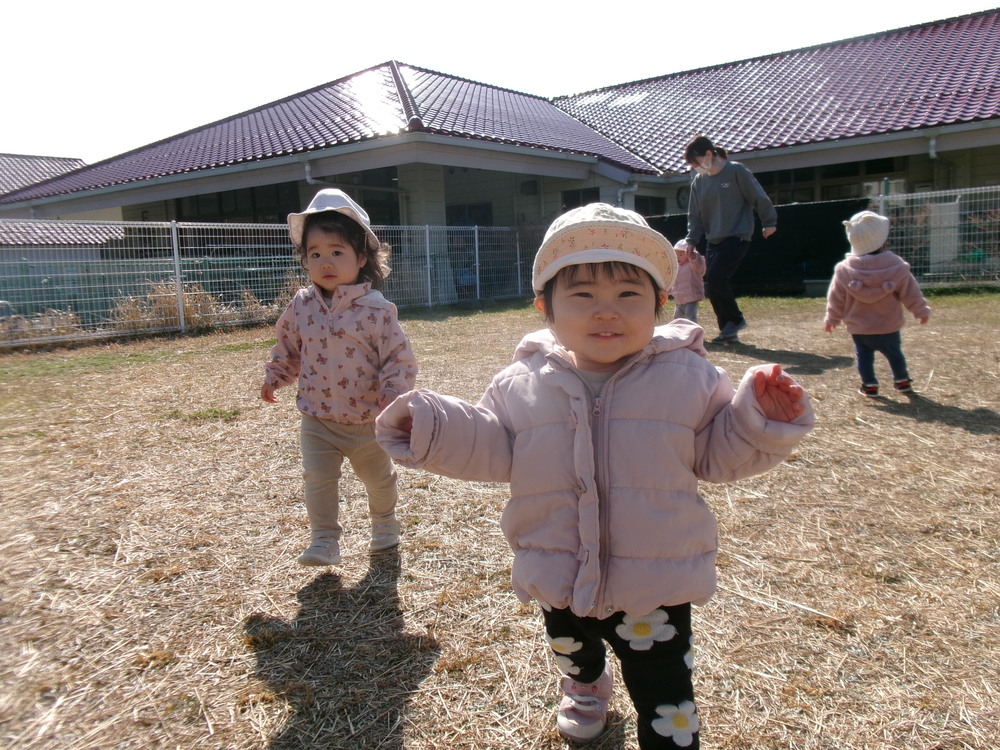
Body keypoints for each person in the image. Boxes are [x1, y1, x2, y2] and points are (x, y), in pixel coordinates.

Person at [375, 203, 814, 749]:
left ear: (659, 304)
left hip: (655, 578)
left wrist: (762, 420)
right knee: (571, 647)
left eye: (629, 296)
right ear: (546, 308)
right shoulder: (520, 383)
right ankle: (585, 686)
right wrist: (433, 427)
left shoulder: (691, 377)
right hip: (557, 564)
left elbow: (718, 455)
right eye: (582, 296)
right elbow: (493, 445)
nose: (606, 313)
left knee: (665, 687)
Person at [261, 188, 418, 566]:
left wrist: (393, 394)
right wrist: (275, 375)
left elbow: (399, 357)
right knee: (317, 479)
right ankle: (324, 540)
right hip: (317, 418)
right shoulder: (301, 306)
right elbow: (288, 345)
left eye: (336, 252)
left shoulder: (375, 310)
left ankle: (384, 526)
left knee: (378, 480)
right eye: (314, 253)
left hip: (367, 420)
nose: (325, 261)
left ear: (361, 257)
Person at [676, 136, 777, 344]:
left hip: (738, 236)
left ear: (709, 154)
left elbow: (758, 196)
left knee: (716, 278)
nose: (695, 167)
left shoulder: (736, 171)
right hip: (714, 239)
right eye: (692, 165)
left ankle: (735, 320)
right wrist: (692, 240)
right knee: (712, 284)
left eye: (696, 162)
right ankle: (728, 331)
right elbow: (694, 215)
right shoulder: (699, 181)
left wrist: (769, 221)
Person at [824, 210, 930, 397]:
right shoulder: (895, 265)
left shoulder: (845, 270)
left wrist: (832, 318)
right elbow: (910, 292)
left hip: (860, 327)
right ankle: (902, 381)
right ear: (882, 239)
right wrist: (920, 310)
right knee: (894, 354)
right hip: (887, 325)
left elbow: (836, 297)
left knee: (863, 357)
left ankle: (870, 385)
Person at [670, 240, 706, 322]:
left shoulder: (692, 266)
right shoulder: (676, 268)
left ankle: (693, 332)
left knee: (690, 316)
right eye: (676, 255)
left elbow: (699, 265)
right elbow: (674, 283)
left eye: (681, 254)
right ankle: (680, 333)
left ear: (688, 254)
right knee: (677, 318)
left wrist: (694, 256)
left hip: (691, 298)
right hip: (679, 299)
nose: (678, 257)